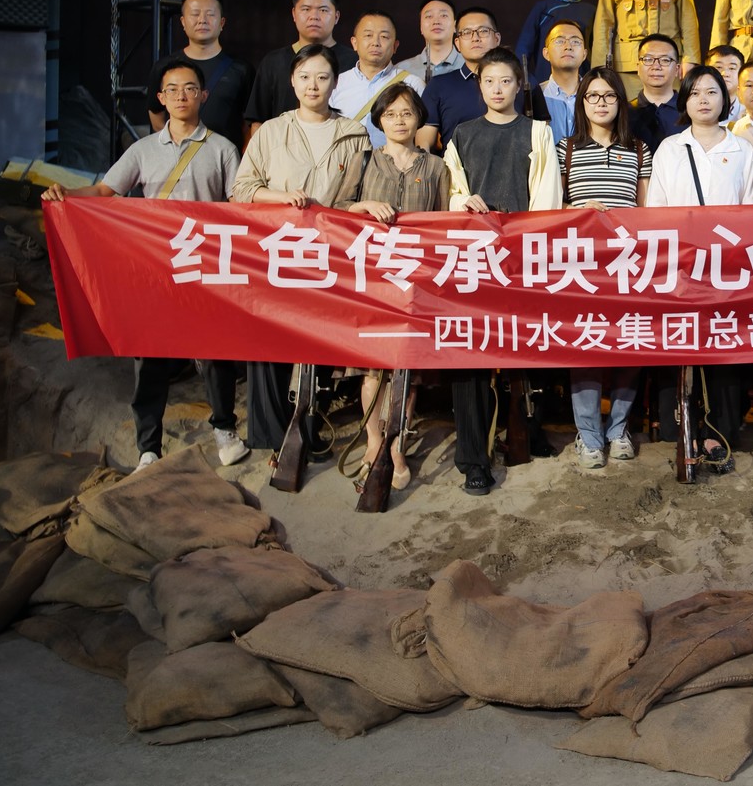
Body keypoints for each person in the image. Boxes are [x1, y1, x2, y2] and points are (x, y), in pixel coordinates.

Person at [43, 58, 245, 470]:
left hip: (204, 266)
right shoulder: (143, 149)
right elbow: (105, 191)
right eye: (173, 90)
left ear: (203, 95)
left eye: (190, 89)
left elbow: (239, 208)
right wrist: (66, 194)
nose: (182, 96)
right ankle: (148, 448)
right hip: (154, 268)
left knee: (213, 352)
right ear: (161, 98)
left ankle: (224, 429)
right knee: (149, 356)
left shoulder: (223, 148)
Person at [231, 44, 372, 451]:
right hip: (274, 250)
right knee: (269, 342)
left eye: (322, 77)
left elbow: (355, 195)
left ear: (335, 83)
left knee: (314, 344)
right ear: (292, 81)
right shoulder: (271, 131)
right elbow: (242, 189)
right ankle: (272, 438)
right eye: (305, 77)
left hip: (329, 254)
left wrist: (355, 207)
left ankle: (308, 429)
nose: (313, 85)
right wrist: (280, 197)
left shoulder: (353, 133)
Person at [443, 49, 562, 494]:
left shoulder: (537, 131)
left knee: (529, 347)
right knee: (470, 358)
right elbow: (451, 190)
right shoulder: (462, 134)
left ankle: (528, 429)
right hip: (473, 259)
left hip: (523, 256)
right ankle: (474, 458)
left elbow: (547, 196)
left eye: (506, 81)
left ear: (519, 85)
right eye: (489, 81)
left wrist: (528, 247)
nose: (497, 89)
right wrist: (463, 202)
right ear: (480, 85)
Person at [645, 64, 753, 471]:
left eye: (711, 92)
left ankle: (719, 430)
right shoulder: (670, 148)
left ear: (725, 100)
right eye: (694, 93)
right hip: (680, 265)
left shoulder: (742, 149)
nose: (703, 100)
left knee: (722, 345)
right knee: (681, 345)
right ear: (685, 101)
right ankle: (684, 427)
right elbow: (656, 209)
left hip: (727, 266)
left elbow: (750, 209)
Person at [342, 82, 450, 493]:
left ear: (419, 118)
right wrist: (363, 206)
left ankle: (396, 445)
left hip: (415, 284)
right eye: (390, 114)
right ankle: (373, 441)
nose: (399, 121)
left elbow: (444, 224)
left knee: (406, 371)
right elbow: (335, 209)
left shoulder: (436, 167)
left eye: (407, 113)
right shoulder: (364, 160)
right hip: (370, 280)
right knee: (371, 366)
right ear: (379, 120)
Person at [558, 66, 651, 469]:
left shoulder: (639, 149)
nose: (601, 103)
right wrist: (578, 210)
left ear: (620, 102)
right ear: (582, 103)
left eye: (609, 95)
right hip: (581, 264)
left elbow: (648, 210)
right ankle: (589, 434)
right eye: (592, 96)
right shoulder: (565, 148)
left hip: (628, 263)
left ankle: (618, 429)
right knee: (586, 346)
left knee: (631, 343)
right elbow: (551, 206)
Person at [243, 0, 353, 143]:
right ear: (294, 14)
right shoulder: (273, 62)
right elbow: (258, 121)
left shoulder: (354, 62)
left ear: (336, 16)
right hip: (281, 152)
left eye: (323, 10)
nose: (314, 16)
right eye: (306, 9)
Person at [143, 0, 252, 147]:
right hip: (178, 158)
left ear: (222, 23)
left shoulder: (242, 69)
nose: (202, 20)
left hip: (225, 158)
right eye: (195, 14)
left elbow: (249, 124)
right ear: (183, 22)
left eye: (210, 14)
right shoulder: (164, 67)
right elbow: (156, 117)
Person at [329, 11, 425, 148]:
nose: (375, 43)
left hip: (395, 161)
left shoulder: (413, 84)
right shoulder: (336, 84)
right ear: (354, 43)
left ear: (395, 46)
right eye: (368, 35)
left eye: (384, 37)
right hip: (346, 160)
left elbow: (423, 136)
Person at [419, 6, 503, 151]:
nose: (475, 38)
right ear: (457, 43)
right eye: (467, 33)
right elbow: (424, 143)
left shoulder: (520, 82)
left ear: (497, 39)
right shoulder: (439, 85)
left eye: (483, 31)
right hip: (455, 165)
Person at [515, 0, 593, 84]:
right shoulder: (543, 8)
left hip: (582, 83)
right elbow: (523, 48)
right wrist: (528, 81)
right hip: (544, 81)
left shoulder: (591, 11)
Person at [628, 33, 686, 152]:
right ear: (638, 67)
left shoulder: (690, 111)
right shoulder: (624, 112)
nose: (656, 66)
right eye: (648, 59)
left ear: (677, 69)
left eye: (665, 60)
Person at [537, 19, 587, 141]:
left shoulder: (595, 96)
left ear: (584, 55)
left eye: (575, 41)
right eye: (560, 41)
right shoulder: (536, 96)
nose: (568, 47)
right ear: (546, 53)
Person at [396, 0, 462, 83]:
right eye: (429, 16)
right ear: (421, 27)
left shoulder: (471, 66)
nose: (436, 21)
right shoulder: (401, 71)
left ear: (455, 26)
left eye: (443, 15)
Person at [709, 44, 747, 126]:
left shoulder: (749, 116)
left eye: (732, 68)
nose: (725, 73)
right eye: (718, 67)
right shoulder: (692, 111)